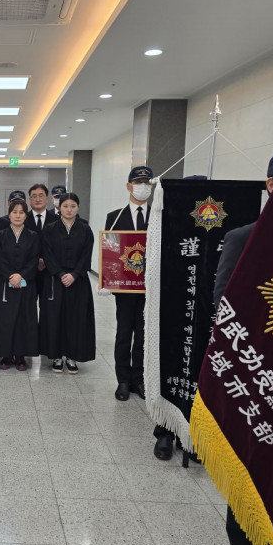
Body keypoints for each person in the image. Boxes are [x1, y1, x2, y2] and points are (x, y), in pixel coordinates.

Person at [214, 147, 273, 545]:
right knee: (252, 469)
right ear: (271, 185)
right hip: (259, 379)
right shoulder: (243, 239)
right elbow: (223, 309)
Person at [105, 165, 153, 404]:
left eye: (147, 183)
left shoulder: (159, 215)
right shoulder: (115, 217)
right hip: (124, 287)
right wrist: (107, 278)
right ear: (129, 186)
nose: (143, 187)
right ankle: (123, 380)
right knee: (124, 333)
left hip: (149, 287)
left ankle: (139, 379)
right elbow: (111, 249)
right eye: (138, 183)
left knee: (143, 335)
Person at [39, 193, 96, 374]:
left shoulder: (85, 229)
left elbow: (87, 254)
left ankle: (72, 356)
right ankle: (56, 356)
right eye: (65, 206)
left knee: (76, 318)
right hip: (55, 279)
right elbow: (47, 253)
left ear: (78, 207)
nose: (69, 210)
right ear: (59, 207)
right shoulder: (50, 229)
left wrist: (75, 274)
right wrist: (60, 273)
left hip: (78, 281)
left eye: (73, 206)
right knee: (55, 317)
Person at [0, 199, 40, 371]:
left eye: (21, 212)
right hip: (5, 283)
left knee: (24, 319)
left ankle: (20, 356)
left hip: (26, 284)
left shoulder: (33, 236)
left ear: (26, 215)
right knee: (5, 319)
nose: (18, 215)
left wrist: (21, 275)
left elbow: (34, 259)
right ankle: (6, 355)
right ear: (9, 214)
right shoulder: (0, 235)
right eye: (14, 212)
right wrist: (10, 276)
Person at [25, 183, 59, 294]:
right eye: (34, 196)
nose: (38, 199)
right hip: (28, 270)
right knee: (28, 303)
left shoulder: (57, 220)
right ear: (29, 199)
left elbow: (59, 244)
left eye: (41, 195)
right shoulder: (23, 219)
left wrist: (46, 260)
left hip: (51, 270)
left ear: (47, 198)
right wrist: (36, 260)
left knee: (49, 303)